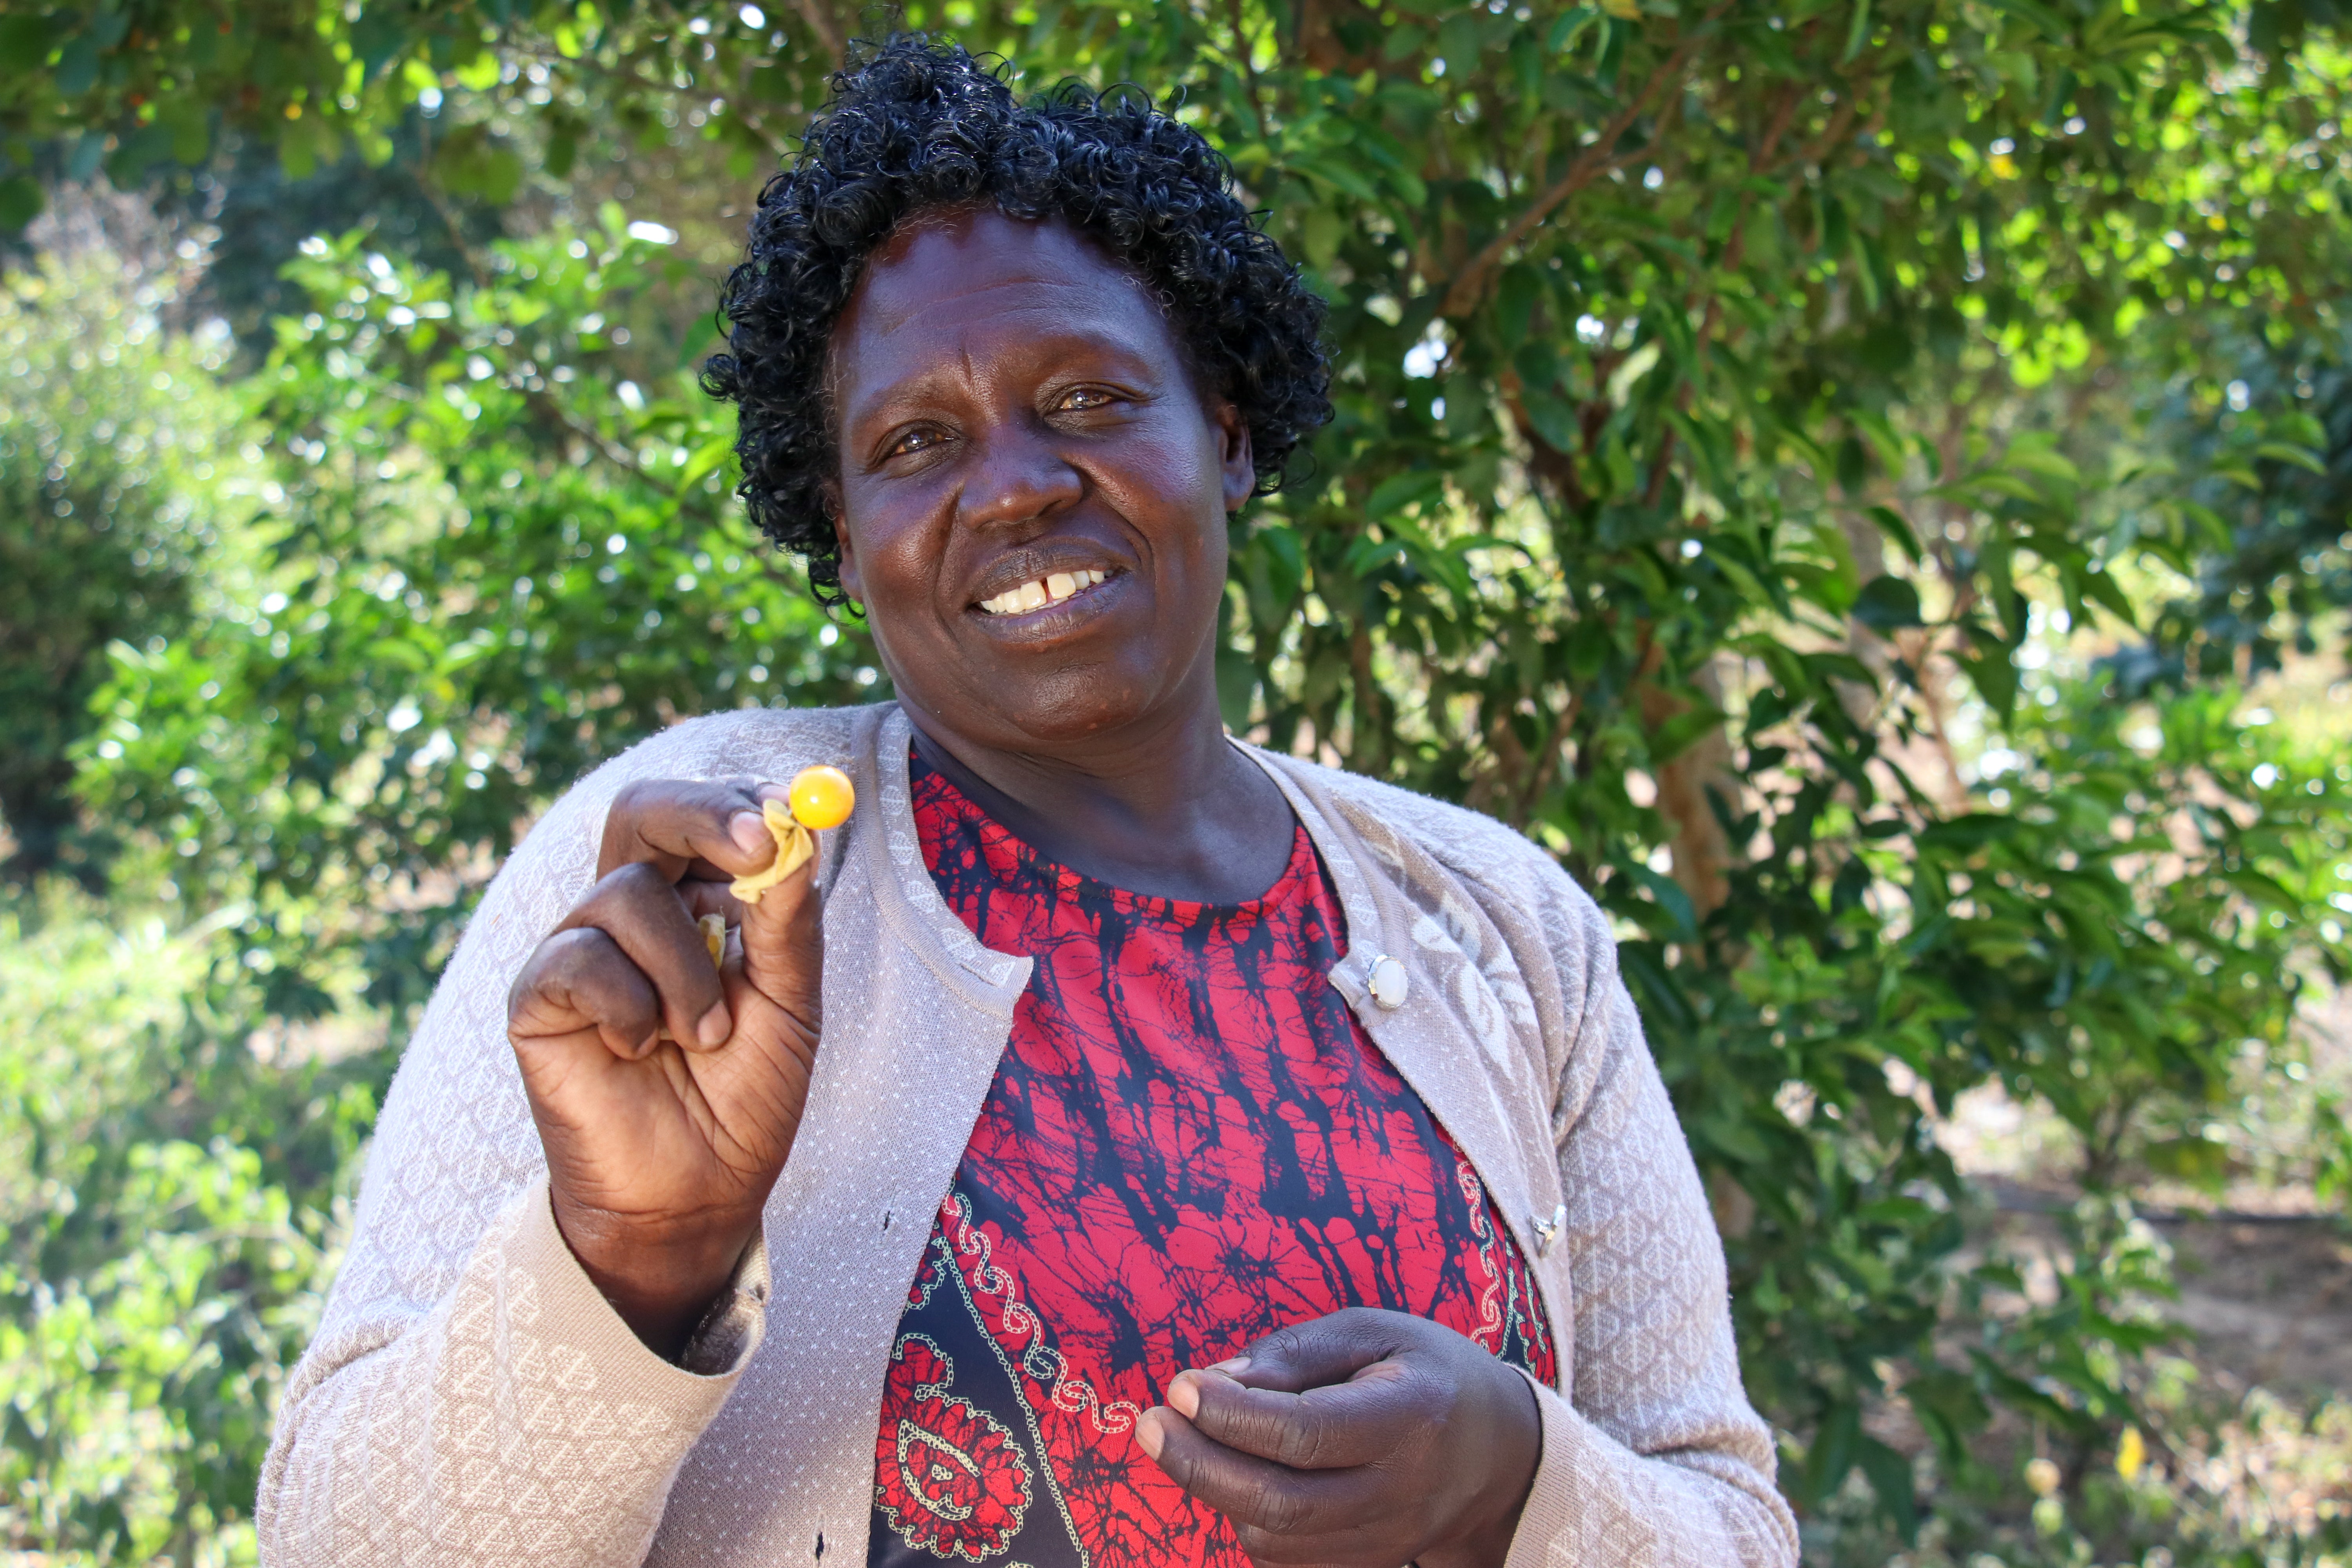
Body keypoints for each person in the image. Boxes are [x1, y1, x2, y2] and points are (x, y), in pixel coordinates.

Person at [257, 35, 1798, 1568]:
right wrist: (631, 1251)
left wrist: (1522, 1479)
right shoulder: (682, 893)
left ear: (1229, 435)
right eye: (916, 442)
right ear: (845, 536)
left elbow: (1730, 1528)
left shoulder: (1506, 929)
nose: (1010, 487)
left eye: (1086, 396)